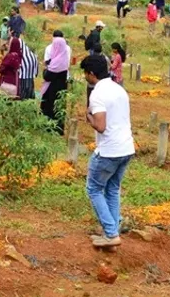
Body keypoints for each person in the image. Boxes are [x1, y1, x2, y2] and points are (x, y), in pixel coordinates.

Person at [82, 53, 135, 248]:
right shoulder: (119, 89)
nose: (85, 77)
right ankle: (112, 232)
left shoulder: (97, 94)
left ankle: (111, 233)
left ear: (92, 73)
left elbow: (101, 126)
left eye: (85, 73)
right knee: (112, 189)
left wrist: (88, 117)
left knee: (94, 189)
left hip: (109, 151)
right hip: (126, 147)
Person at [41, 31, 71, 132]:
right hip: (62, 87)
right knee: (59, 107)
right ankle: (59, 128)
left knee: (49, 106)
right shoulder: (64, 59)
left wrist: (45, 70)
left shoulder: (55, 62)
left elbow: (47, 76)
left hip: (51, 88)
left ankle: (48, 127)